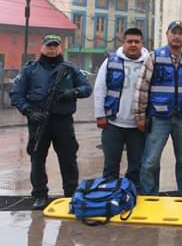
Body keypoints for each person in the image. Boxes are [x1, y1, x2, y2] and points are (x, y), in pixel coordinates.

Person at [10, 34, 92, 209]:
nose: (52, 49)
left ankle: (71, 195)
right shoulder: (30, 70)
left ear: (60, 48)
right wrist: (29, 111)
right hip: (38, 122)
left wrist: (73, 92)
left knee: (68, 159)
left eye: (55, 46)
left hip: (63, 121)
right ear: (42, 48)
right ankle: (40, 195)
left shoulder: (70, 69)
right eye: (49, 46)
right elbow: (16, 94)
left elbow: (87, 88)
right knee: (37, 159)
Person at [134, 21, 182, 196]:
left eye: (180, 33)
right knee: (150, 161)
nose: (177, 36)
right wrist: (140, 116)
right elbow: (142, 87)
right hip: (158, 118)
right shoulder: (155, 57)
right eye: (174, 32)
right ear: (167, 34)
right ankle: (149, 197)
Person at [94, 27, 149, 188]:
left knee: (136, 166)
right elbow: (100, 88)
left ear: (142, 43)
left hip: (138, 125)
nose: (133, 45)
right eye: (129, 41)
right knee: (111, 165)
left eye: (136, 42)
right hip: (113, 123)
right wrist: (100, 115)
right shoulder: (111, 61)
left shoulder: (149, 62)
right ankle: (110, 196)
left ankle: (132, 195)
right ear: (123, 43)